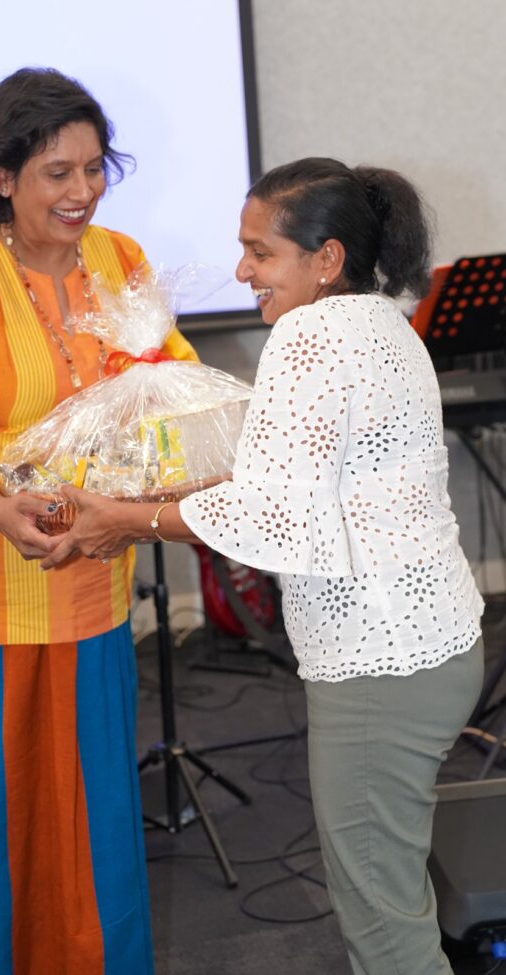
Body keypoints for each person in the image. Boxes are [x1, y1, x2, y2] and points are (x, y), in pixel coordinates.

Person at [42, 158, 485, 975]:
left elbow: (278, 519)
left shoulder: (310, 334)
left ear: (326, 258)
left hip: (377, 667)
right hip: (437, 643)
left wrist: (129, 517)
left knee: (383, 921)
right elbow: (301, 483)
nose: (242, 271)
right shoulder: (383, 320)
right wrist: (166, 497)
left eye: (260, 252)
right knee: (394, 887)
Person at [0, 67, 197, 975]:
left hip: (89, 583)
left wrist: (150, 498)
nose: (82, 193)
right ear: (2, 177)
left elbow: (170, 383)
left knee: (89, 819)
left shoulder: (121, 261)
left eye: (94, 168)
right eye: (56, 174)